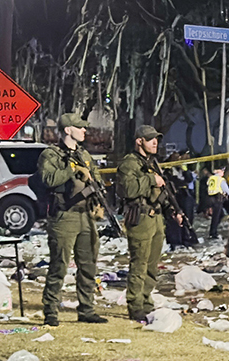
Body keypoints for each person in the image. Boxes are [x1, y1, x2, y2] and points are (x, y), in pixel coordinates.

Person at [35, 116, 110, 324]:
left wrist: (97, 197)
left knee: (88, 265)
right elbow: (48, 179)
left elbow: (96, 179)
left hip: (85, 215)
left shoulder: (84, 154)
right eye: (80, 127)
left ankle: (86, 309)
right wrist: (73, 170)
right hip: (63, 216)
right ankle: (50, 311)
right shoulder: (51, 155)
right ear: (68, 130)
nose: (84, 131)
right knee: (59, 264)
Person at [116, 128, 175, 321]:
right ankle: (135, 305)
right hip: (140, 218)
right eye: (150, 140)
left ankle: (146, 300)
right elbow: (128, 189)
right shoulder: (129, 163)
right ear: (139, 141)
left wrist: (172, 210)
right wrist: (151, 179)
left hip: (156, 217)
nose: (155, 143)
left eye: (156, 139)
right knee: (139, 263)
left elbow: (161, 190)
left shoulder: (152, 163)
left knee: (152, 265)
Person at [204, 162, 229, 240]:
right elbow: (227, 190)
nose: (223, 172)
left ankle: (213, 231)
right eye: (222, 171)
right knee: (216, 217)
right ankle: (213, 233)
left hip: (210, 198)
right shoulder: (221, 179)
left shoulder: (211, 178)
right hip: (217, 199)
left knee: (220, 215)